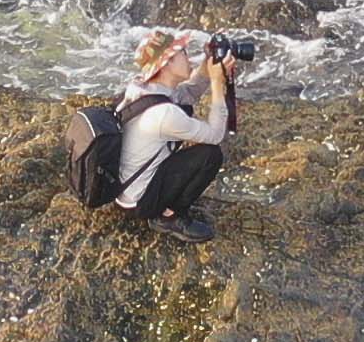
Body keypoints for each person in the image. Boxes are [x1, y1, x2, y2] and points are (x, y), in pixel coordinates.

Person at [67, 32, 239, 223]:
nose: (188, 55)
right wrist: (217, 83)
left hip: (124, 191)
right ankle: (169, 216)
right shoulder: (164, 114)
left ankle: (161, 204)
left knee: (196, 143)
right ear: (167, 64)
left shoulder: (142, 89)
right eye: (183, 52)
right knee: (210, 155)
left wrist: (207, 66)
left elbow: (188, 93)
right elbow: (215, 135)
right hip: (139, 202)